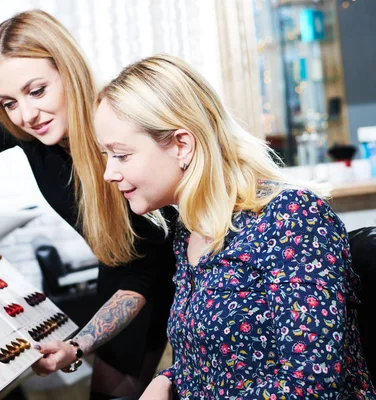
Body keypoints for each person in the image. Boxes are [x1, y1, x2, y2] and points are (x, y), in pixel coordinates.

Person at [0, 10, 177, 399]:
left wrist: (79, 345)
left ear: (68, 72)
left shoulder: (120, 128)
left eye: (37, 90)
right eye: (8, 102)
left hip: (168, 278)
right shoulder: (24, 127)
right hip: (118, 271)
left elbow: (149, 273)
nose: (26, 115)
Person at [87, 54, 376, 399]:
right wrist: (167, 379)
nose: (108, 173)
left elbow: (311, 384)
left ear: (182, 145)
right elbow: (212, 358)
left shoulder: (291, 218)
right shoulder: (189, 230)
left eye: (120, 154)